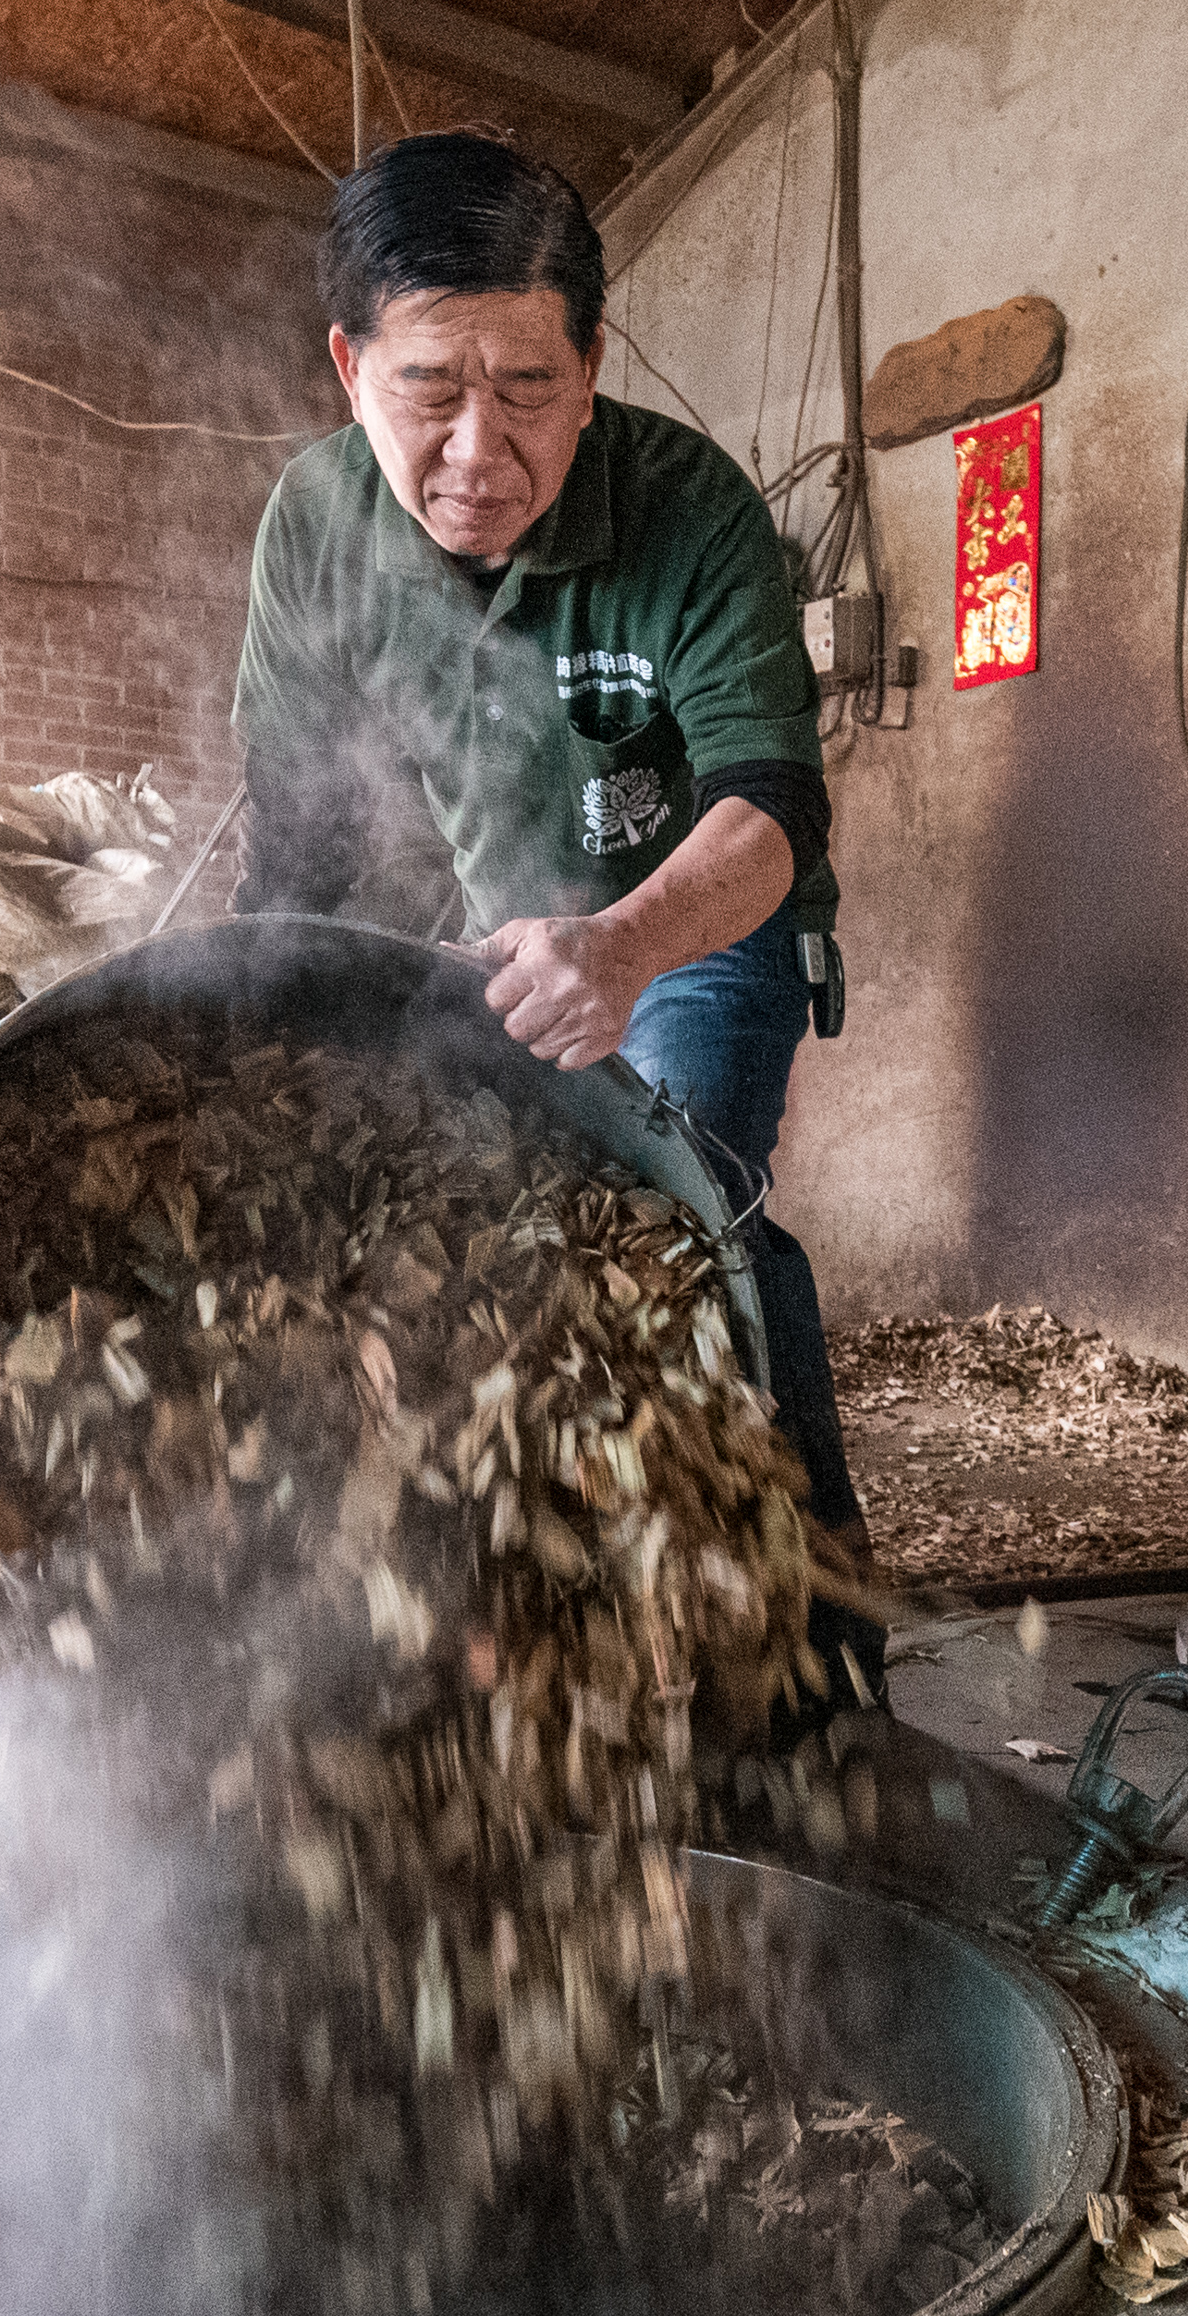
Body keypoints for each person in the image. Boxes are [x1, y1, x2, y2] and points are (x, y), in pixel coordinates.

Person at [230, 131, 874, 1684]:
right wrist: (254, 1071)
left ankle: (820, 1654)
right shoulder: (316, 529)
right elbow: (301, 848)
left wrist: (622, 943)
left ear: (591, 363)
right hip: (502, 939)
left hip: (693, 932)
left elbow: (774, 808)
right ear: (348, 366)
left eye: (527, 388)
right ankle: (515, 1649)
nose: (477, 447)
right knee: (423, 1240)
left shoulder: (690, 512)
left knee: (678, 1217)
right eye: (430, 390)